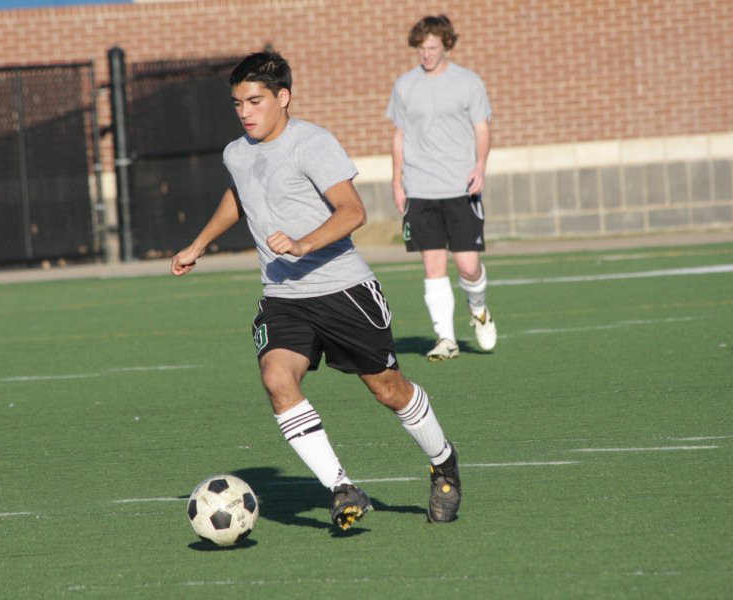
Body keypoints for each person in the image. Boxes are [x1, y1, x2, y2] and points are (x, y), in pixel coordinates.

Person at [171, 51, 461, 529]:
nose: (245, 111)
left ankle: (444, 462)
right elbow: (239, 196)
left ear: (283, 97)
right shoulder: (236, 152)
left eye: (256, 100)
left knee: (389, 392)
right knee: (276, 378)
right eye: (238, 102)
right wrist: (199, 243)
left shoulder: (313, 143)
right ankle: (342, 487)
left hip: (344, 291)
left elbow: (352, 211)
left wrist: (304, 243)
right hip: (283, 298)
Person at [386, 15, 497, 361]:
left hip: (460, 187)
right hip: (420, 188)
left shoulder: (468, 82)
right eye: (421, 48)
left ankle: (478, 309)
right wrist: (397, 179)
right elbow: (399, 135)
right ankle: (445, 339)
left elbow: (482, 128)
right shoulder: (405, 85)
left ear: (446, 45)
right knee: (433, 265)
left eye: (432, 47)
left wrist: (480, 166)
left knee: (467, 266)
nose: (426, 54)